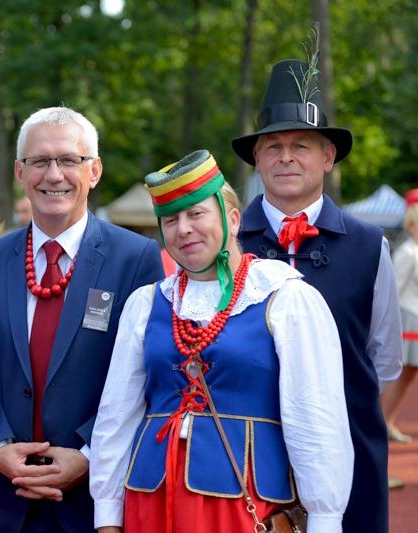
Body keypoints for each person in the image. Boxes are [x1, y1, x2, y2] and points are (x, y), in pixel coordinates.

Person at [90, 149, 353, 533]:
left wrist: (325, 518)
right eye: (170, 220)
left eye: (196, 214)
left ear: (232, 218)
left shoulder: (284, 298)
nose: (183, 229)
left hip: (243, 509)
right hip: (149, 502)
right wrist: (108, 515)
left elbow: (315, 420)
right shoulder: (146, 304)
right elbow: (116, 417)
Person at [0, 106, 164, 532]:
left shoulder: (135, 258)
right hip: (8, 500)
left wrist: (89, 455)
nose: (54, 175)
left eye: (69, 159)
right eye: (39, 161)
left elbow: (149, 374)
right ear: (19, 172)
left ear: (95, 171)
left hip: (96, 502)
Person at [235, 59, 402, 533]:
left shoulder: (369, 246)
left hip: (350, 453)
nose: (286, 157)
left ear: (328, 157)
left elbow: (384, 358)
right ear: (257, 159)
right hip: (248, 458)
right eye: (273, 147)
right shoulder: (227, 245)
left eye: (301, 146)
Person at [382, 203, 418, 443]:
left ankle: (386, 420)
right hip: (408, 316)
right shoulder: (407, 253)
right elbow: (394, 288)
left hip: (414, 315)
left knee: (406, 375)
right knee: (401, 374)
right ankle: (384, 420)